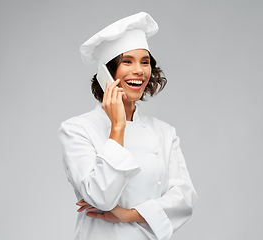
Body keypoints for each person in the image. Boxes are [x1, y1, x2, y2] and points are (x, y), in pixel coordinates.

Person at [58, 12, 198, 240]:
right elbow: (101, 197)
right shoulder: (77, 130)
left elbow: (185, 198)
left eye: (145, 62)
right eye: (127, 61)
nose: (139, 71)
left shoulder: (164, 132)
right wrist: (117, 129)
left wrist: (127, 214)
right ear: (107, 72)